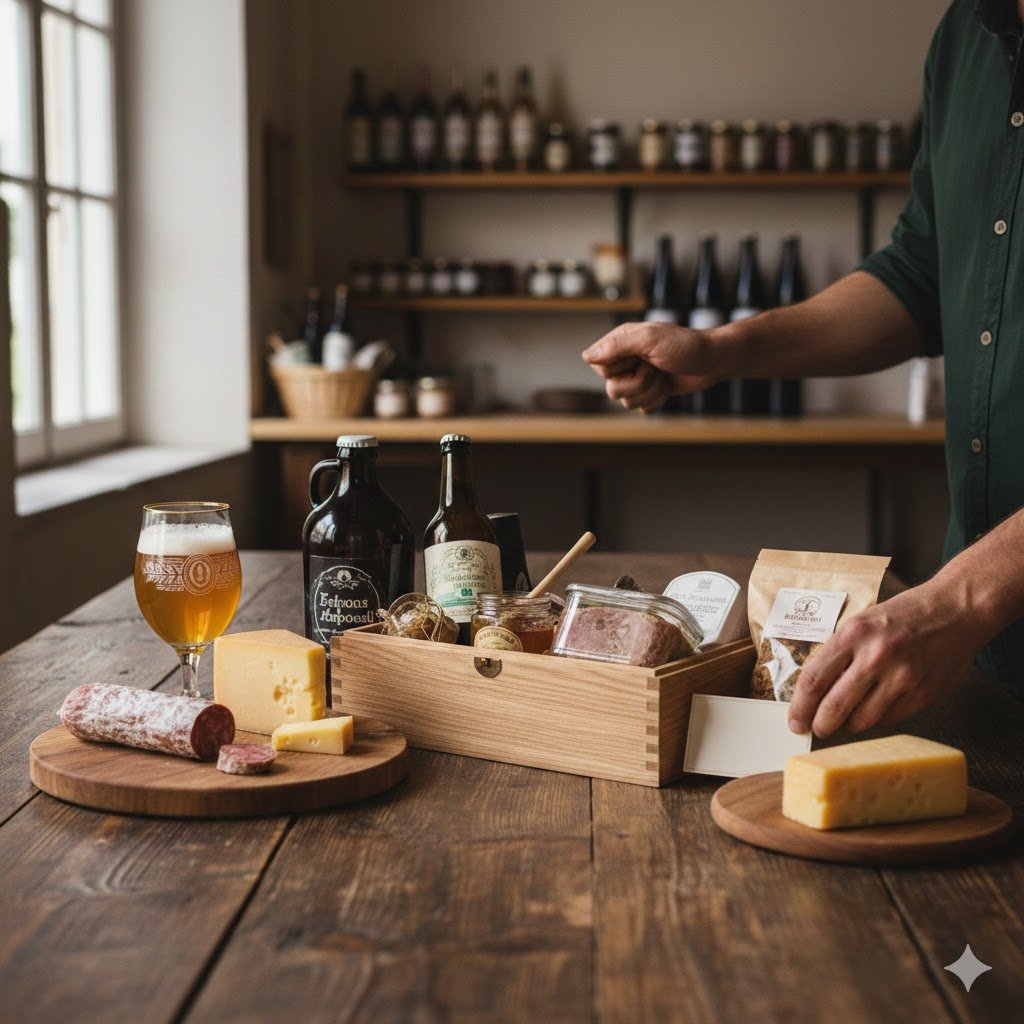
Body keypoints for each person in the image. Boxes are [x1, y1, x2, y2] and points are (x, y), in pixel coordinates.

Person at [583, 0, 1024, 740]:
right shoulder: (964, 37)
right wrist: (722, 351)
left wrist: (960, 600)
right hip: (990, 662)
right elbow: (920, 276)